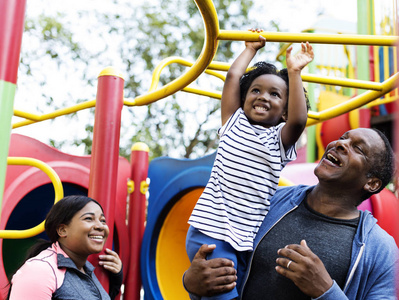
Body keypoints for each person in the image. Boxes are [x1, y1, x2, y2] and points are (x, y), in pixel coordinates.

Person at [184, 127, 398, 299]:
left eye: (358, 148)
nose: (340, 143)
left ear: (371, 183)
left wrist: (325, 291)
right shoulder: (268, 200)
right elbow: (221, 271)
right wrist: (192, 283)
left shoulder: (381, 249)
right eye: (343, 137)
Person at [186, 29, 314, 299]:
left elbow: (300, 121)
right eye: (255, 90)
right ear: (243, 98)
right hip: (212, 231)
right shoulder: (234, 123)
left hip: (243, 242)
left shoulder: (278, 141)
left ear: (285, 110)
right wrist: (250, 50)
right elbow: (233, 77)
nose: (263, 97)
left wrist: (294, 72)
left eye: (275, 95)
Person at [7, 195, 123, 300]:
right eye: (88, 218)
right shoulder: (40, 269)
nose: (100, 226)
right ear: (62, 230)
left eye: (103, 220)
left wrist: (116, 280)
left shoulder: (86, 269)